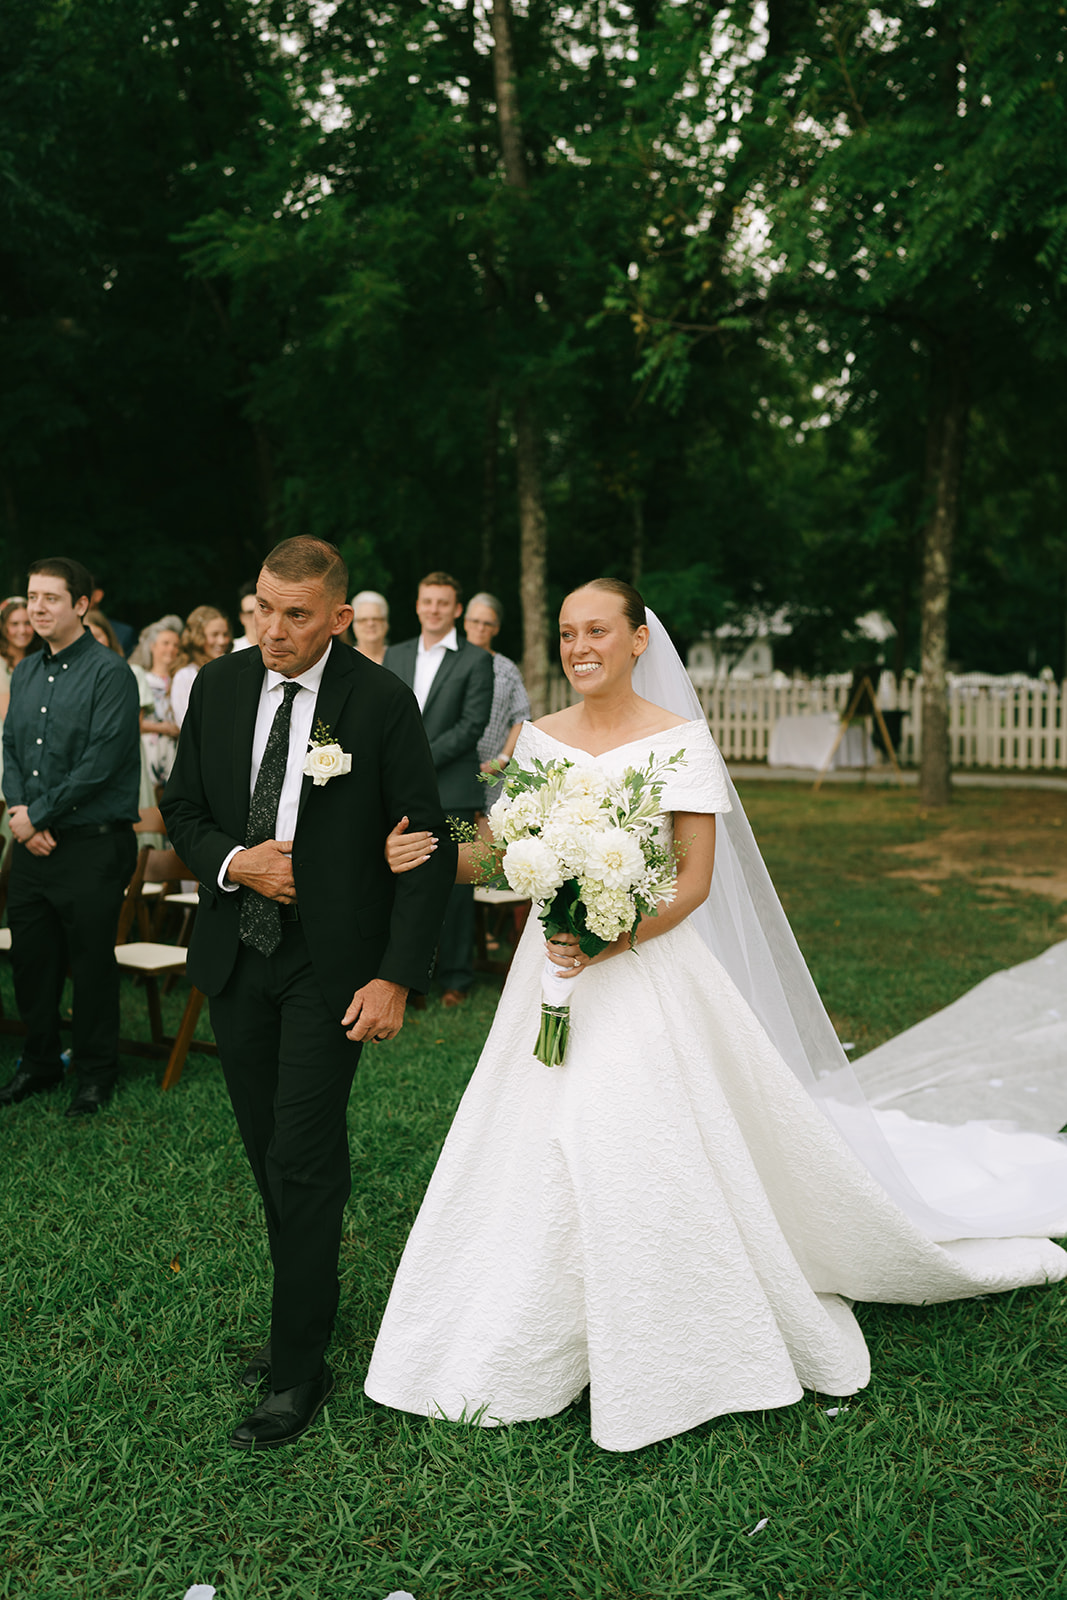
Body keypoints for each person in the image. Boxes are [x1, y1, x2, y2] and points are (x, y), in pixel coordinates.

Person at [365, 578, 1067, 1453]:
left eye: (597, 631)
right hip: (548, 978)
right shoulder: (539, 741)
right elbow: (504, 854)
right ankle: (530, 1330)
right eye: (566, 633)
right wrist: (431, 851)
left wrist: (609, 936)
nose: (579, 646)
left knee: (627, 1136)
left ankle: (668, 1332)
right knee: (528, 1140)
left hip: (643, 970)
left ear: (634, 641)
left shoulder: (679, 740)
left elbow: (692, 880)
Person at [161, 535, 456, 1450]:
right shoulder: (218, 687)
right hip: (237, 956)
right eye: (262, 609)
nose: (274, 630)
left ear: (337, 616)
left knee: (304, 1153)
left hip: (330, 968)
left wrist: (396, 974)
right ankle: (301, 1315)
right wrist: (236, 863)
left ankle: (299, 1368)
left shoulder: (380, 702)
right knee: (267, 1150)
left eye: (295, 615)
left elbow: (429, 841)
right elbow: (183, 809)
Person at [0, 557, 140, 1117]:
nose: (37, 606)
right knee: (31, 961)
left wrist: (39, 817)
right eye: (32, 596)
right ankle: (37, 1063)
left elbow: (102, 761)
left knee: (90, 964)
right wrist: (18, 810)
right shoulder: (26, 671)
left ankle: (95, 1074)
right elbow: (9, 747)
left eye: (51, 598)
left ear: (81, 605)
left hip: (93, 846)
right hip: (32, 845)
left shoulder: (111, 673)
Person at [384, 572, 493, 1006]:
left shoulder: (476, 659)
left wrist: (413, 758)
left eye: (442, 602)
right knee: (405, 887)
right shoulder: (395, 654)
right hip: (399, 793)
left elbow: (471, 727)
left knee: (455, 888)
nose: (433, 609)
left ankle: (456, 978)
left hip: (453, 791)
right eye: (427, 601)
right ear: (416, 605)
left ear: (457, 609)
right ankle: (409, 978)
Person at [464, 591, 531, 811]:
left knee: (486, 839)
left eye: (487, 623)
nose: (480, 628)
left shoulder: (506, 669)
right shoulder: (449, 663)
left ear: (496, 628)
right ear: (465, 622)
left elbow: (521, 718)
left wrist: (501, 760)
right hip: (451, 770)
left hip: (493, 773)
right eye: (475, 621)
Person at [129, 617, 184, 791]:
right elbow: (131, 722)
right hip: (148, 752)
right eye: (165, 643)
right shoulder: (140, 678)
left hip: (174, 755)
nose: (171, 649)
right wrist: (164, 729)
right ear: (152, 646)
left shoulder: (182, 679)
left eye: (176, 645)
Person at [171, 605, 232, 727]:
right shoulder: (186, 676)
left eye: (225, 634)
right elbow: (186, 723)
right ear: (198, 636)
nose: (222, 641)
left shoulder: (231, 670)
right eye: (214, 635)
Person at [0, 596, 35, 721]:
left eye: (27, 623)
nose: (22, 631)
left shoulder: (40, 659)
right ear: (3, 626)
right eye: (14, 624)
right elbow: (9, 716)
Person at [351, 590, 390, 664]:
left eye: (376, 619)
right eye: (363, 620)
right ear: (354, 625)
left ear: (386, 624)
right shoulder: (345, 660)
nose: (370, 624)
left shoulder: (400, 658)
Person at [232, 584, 258, 653]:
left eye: (260, 611)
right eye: (250, 612)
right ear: (241, 617)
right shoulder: (232, 649)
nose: (255, 617)